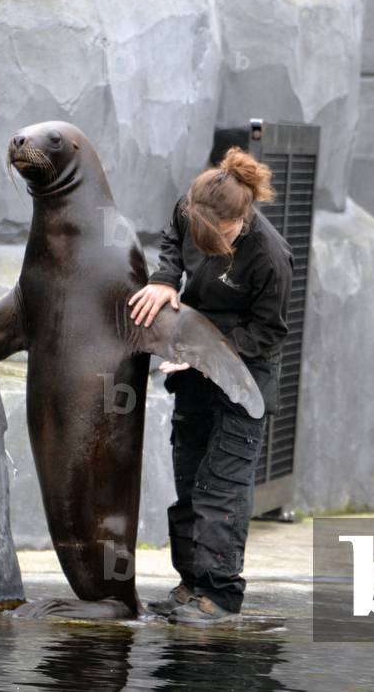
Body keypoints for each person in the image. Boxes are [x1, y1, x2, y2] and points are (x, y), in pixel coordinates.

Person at [128, 147, 294, 625]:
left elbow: (269, 332)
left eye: (216, 236)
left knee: (220, 488)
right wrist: (164, 278)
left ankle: (220, 597)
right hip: (193, 371)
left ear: (242, 219)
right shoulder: (191, 208)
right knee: (189, 480)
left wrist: (207, 357)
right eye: (200, 230)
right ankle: (191, 586)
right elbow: (174, 240)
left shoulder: (269, 256)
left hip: (244, 382)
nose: (208, 241)